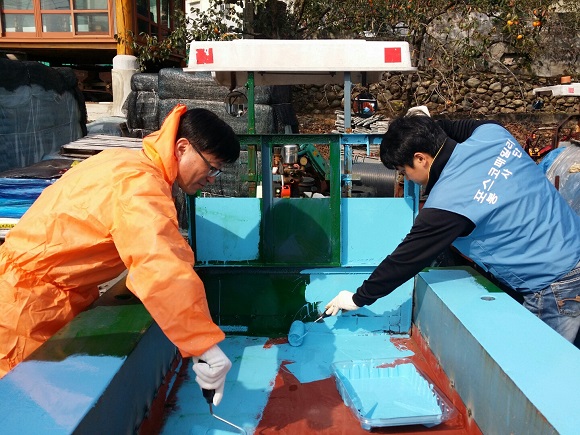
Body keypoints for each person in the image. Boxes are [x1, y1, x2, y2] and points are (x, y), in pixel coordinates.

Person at [0, 104, 240, 405]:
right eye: (212, 167)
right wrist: (205, 345)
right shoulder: (139, 184)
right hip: (25, 309)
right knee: (27, 408)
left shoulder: (123, 160)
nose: (212, 178)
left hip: (39, 295)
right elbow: (159, 263)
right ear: (182, 147)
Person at [325, 113, 580, 345]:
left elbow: (405, 260)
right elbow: (461, 125)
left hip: (556, 287)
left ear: (420, 158)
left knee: (539, 376)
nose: (407, 179)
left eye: (404, 171)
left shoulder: (448, 204)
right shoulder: (494, 135)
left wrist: (358, 298)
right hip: (574, 246)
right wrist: (427, 122)